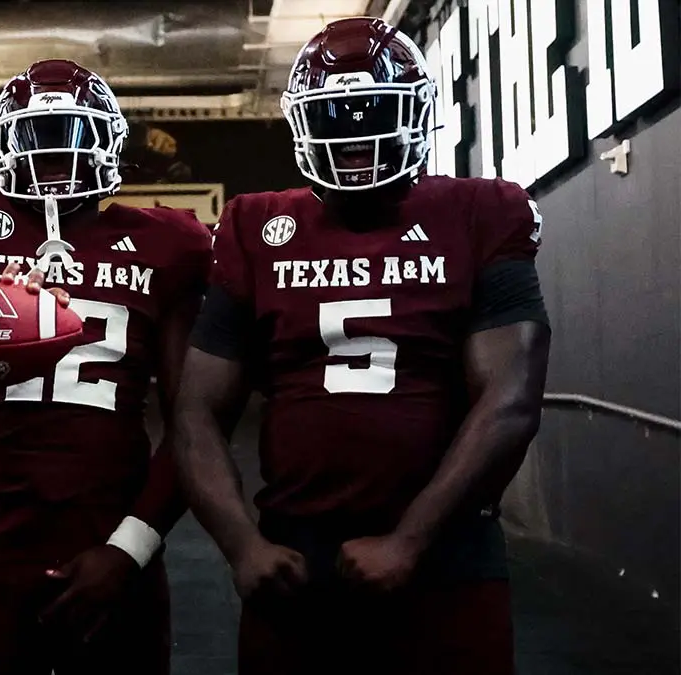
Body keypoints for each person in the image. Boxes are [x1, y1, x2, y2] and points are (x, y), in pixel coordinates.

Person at [173, 17, 551, 675]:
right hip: (294, 555)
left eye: (374, 110)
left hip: (447, 551)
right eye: (335, 116)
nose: (356, 134)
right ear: (301, 125)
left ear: (416, 114)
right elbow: (196, 408)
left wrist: (410, 538)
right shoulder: (257, 225)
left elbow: (511, 398)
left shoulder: (482, 210)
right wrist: (240, 544)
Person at [0, 59, 213, 674]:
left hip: (110, 517)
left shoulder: (168, 243)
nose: (55, 156)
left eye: (72, 136)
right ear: (4, 146)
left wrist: (130, 548)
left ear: (107, 143)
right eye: (37, 138)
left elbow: (193, 425)